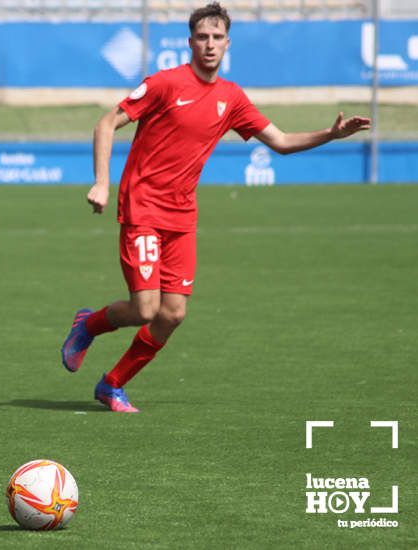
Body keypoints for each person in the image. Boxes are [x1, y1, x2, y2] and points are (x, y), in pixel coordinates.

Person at [61, 2, 371, 412]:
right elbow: (105, 124)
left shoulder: (232, 98)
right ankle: (89, 324)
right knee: (145, 309)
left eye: (217, 37)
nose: (209, 44)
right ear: (190, 42)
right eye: (202, 37)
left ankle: (112, 384)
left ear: (227, 43)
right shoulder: (164, 84)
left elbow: (279, 142)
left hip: (182, 217)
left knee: (172, 315)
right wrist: (102, 183)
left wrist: (330, 135)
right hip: (143, 210)